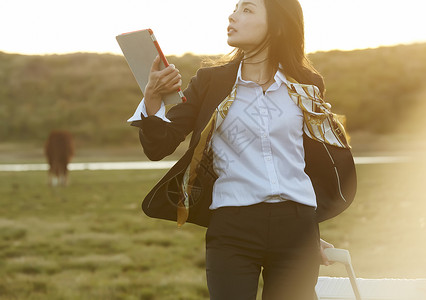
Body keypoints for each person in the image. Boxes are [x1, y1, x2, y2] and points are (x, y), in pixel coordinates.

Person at [128, 0, 357, 298]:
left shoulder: (306, 83)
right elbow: (159, 146)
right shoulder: (210, 82)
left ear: (276, 24)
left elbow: (311, 163)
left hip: (297, 229)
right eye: (235, 8)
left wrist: (311, 230)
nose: (232, 15)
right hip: (233, 227)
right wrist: (153, 100)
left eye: (247, 9)